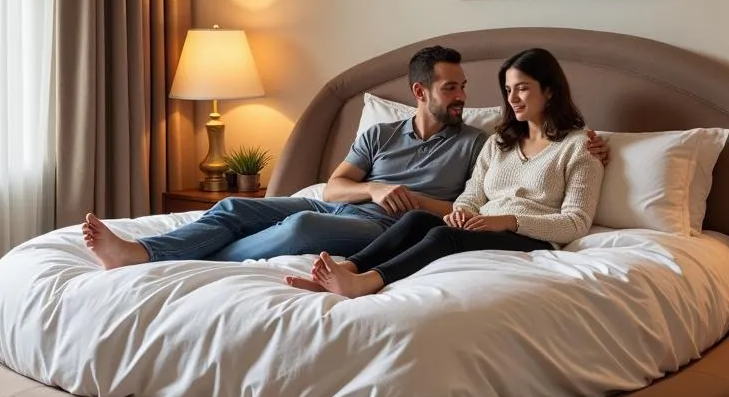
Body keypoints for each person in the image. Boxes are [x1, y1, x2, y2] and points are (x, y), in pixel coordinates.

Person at [83, 45, 608, 269]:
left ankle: (162, 259)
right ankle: (146, 253)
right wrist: (375, 188)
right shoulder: (381, 132)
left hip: (388, 227)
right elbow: (334, 187)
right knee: (233, 210)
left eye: (464, 87)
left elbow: (538, 152)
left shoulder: (478, 138)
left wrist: (590, 142)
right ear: (420, 92)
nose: (462, 98)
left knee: (300, 228)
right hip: (348, 206)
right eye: (451, 88)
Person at [285, 48, 604, 298]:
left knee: (442, 236)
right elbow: (472, 194)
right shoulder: (499, 142)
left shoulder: (580, 147)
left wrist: (507, 221)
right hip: (484, 227)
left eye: (522, 88)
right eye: (508, 90)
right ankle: (350, 267)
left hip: (532, 239)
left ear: (549, 91)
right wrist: (462, 213)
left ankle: (368, 281)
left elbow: (575, 224)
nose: (512, 99)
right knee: (415, 220)